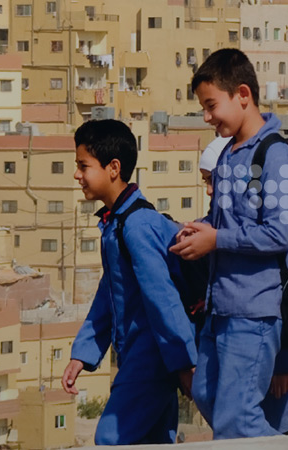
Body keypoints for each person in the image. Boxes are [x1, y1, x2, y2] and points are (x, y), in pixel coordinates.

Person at [169, 48, 288, 439]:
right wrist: (201, 229)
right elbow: (226, 221)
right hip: (220, 308)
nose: (207, 117)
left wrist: (217, 239)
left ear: (242, 94)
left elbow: (279, 234)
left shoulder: (275, 156)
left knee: (236, 417)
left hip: (254, 311)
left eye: (211, 106)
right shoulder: (228, 156)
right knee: (208, 397)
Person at [63, 119, 197, 445]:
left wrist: (184, 363)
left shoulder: (135, 226)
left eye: (84, 165)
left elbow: (162, 299)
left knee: (111, 439)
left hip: (151, 359)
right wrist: (83, 353)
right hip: (143, 357)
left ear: (113, 168)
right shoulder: (117, 224)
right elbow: (108, 297)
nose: (77, 174)